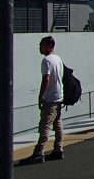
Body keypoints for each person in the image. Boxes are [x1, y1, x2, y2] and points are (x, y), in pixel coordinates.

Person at [22, 36, 64, 164]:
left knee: (45, 126)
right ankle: (58, 149)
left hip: (50, 97)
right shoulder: (58, 59)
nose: (39, 47)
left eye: (41, 45)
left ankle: (39, 152)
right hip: (59, 96)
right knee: (58, 124)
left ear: (48, 46)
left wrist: (41, 96)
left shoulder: (46, 61)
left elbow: (46, 79)